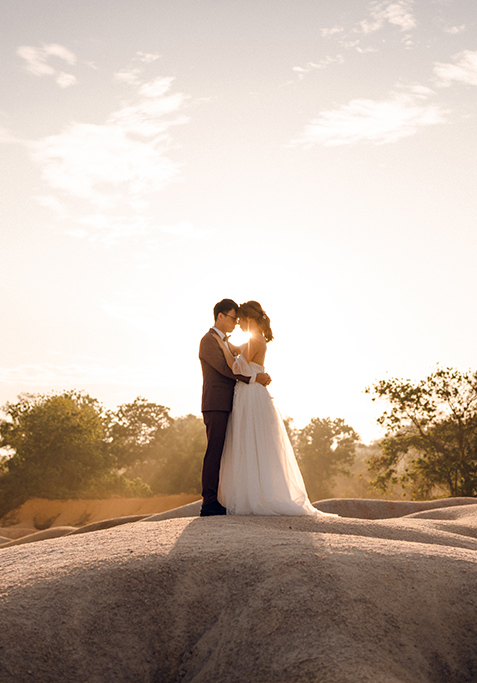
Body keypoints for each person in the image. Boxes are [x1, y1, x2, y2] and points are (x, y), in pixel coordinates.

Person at [216, 301, 336, 517]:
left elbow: (236, 367)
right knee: (254, 442)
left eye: (241, 319)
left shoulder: (255, 340)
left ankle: (255, 496)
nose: (239, 323)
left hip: (251, 395)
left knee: (250, 441)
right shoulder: (257, 339)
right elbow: (242, 357)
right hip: (251, 394)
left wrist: (223, 347)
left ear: (249, 318)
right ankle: (256, 492)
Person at [199, 299, 271, 517]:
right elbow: (225, 369)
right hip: (216, 403)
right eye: (233, 317)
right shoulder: (209, 341)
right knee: (215, 451)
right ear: (220, 316)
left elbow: (239, 355)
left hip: (232, 402)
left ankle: (226, 497)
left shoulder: (226, 342)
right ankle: (209, 501)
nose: (235, 322)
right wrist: (254, 377)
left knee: (230, 450)